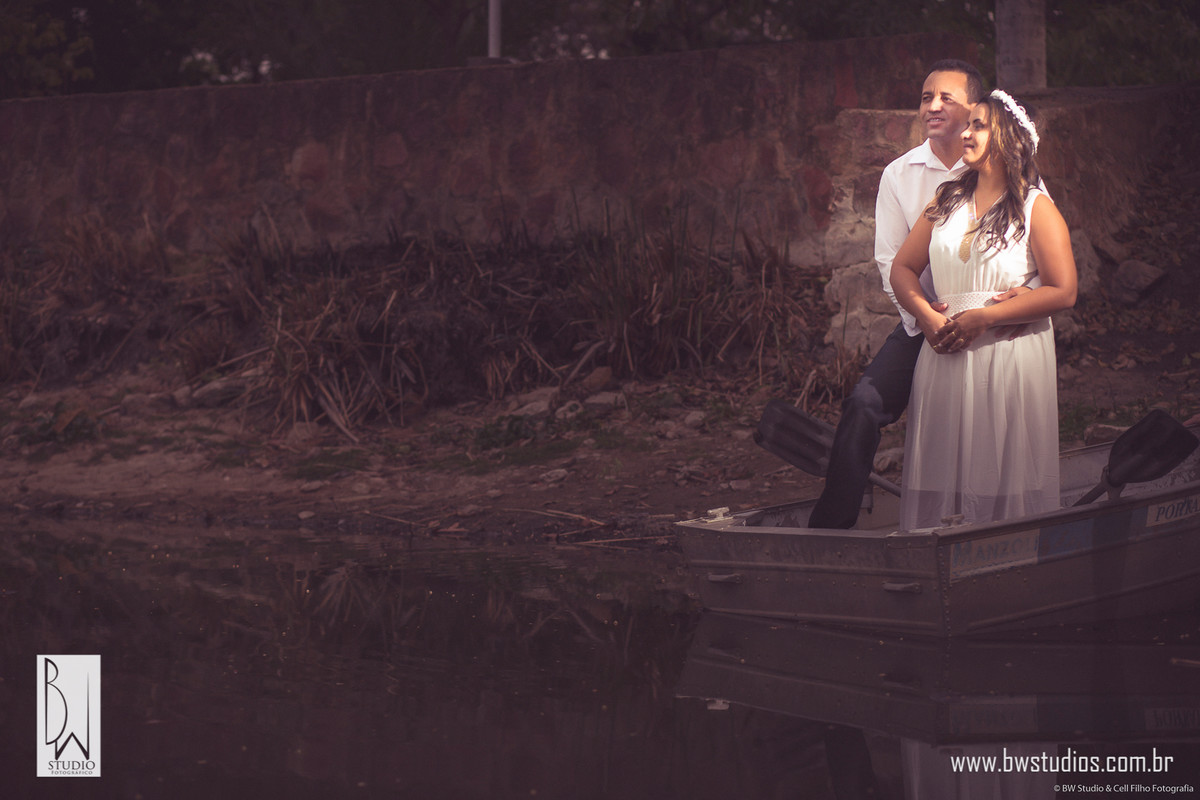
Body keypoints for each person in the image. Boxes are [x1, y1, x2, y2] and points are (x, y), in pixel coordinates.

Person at [809, 59, 994, 529]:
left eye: (946, 98)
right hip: (924, 318)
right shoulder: (900, 174)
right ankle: (831, 527)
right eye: (926, 97)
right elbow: (890, 260)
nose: (932, 106)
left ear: (975, 108)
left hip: (992, 318)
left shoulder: (999, 167)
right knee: (863, 403)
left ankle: (988, 518)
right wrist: (925, 319)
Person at [890, 90, 1077, 529]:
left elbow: (1064, 290)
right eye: (967, 124)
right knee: (943, 469)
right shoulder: (945, 200)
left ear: (1008, 137)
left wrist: (987, 317)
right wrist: (926, 316)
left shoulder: (1036, 207)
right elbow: (902, 268)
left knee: (999, 465)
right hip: (945, 351)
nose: (965, 133)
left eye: (978, 125)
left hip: (1007, 353)